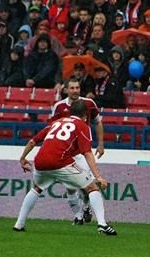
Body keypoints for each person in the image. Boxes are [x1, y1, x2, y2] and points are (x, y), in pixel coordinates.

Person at [13, 100, 117, 235]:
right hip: (60, 161)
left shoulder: (57, 122)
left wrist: (22, 158)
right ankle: (102, 224)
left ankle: (19, 224)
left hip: (40, 161)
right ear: (85, 115)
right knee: (92, 187)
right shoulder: (82, 125)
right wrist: (98, 176)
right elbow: (87, 153)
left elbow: (33, 141)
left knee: (36, 188)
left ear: (70, 112)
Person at [51, 78, 105, 224]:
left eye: (77, 88)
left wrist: (100, 144)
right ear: (66, 90)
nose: (75, 90)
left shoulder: (88, 103)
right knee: (70, 188)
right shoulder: (59, 107)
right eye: (72, 88)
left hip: (83, 151)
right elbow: (53, 128)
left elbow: (98, 122)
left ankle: (86, 207)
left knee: (86, 184)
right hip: (66, 153)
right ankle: (78, 216)